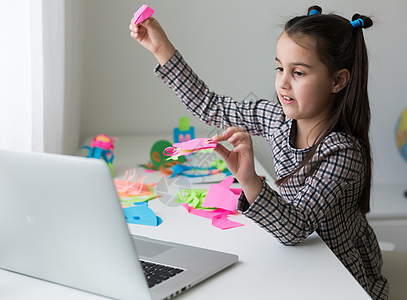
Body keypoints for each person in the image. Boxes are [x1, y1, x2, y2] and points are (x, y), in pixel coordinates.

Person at [129, 5, 388, 300]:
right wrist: (161, 48)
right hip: (298, 264)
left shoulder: (342, 154)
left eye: (299, 72)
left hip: (342, 281)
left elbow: (296, 229)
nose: (283, 82)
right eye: (280, 68)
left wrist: (250, 180)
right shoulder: (277, 118)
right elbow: (212, 107)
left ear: (338, 81)